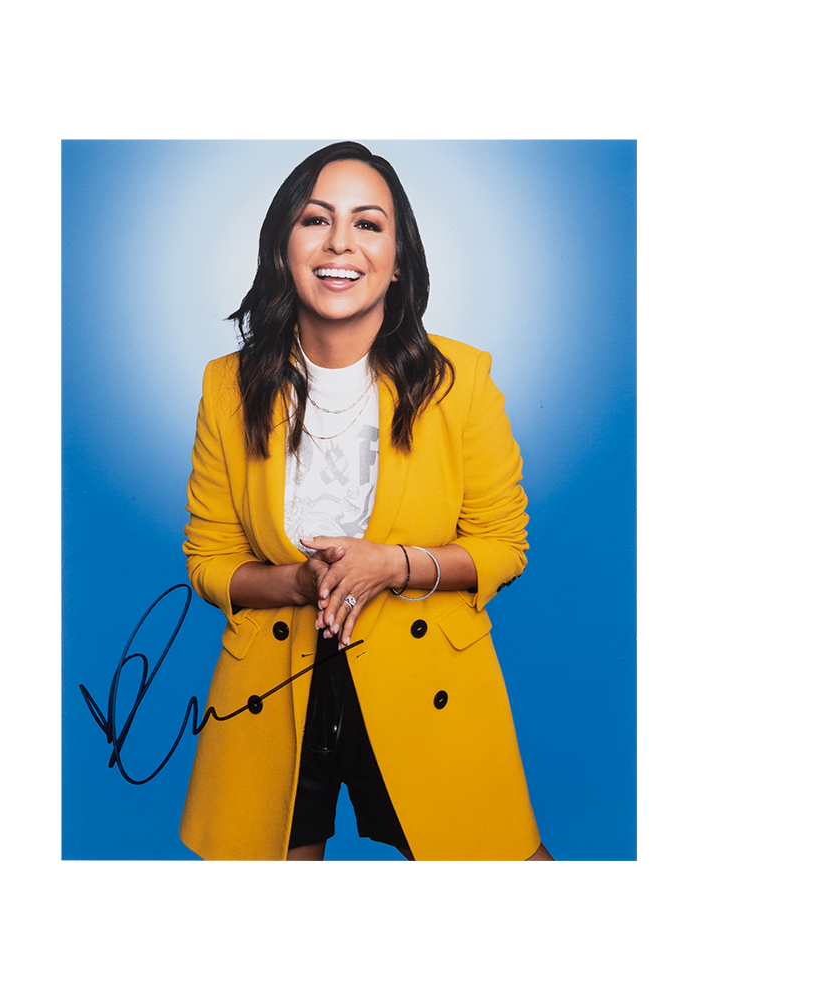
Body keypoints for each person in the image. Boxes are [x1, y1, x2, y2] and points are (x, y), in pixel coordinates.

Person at [180, 141, 552, 861]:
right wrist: (297, 583)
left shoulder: (460, 381)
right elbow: (210, 558)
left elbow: (504, 546)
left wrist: (393, 565)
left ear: (399, 257)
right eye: (316, 219)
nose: (340, 244)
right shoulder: (226, 387)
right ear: (283, 246)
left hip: (425, 679)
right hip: (276, 686)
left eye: (368, 223)